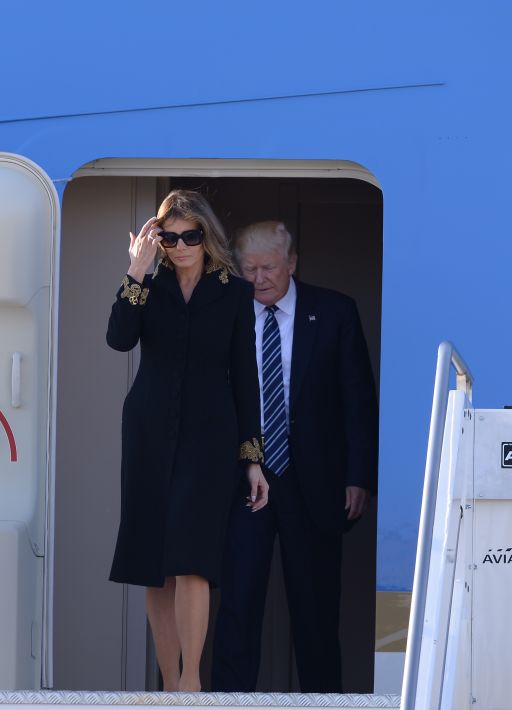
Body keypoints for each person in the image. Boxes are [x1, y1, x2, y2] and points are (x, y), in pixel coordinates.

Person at [106, 190, 270, 692]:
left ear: (206, 237)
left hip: (210, 439)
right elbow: (118, 339)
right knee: (155, 564)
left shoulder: (234, 293)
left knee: (193, 560)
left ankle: (191, 686)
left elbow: (246, 377)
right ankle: (169, 681)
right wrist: (136, 269)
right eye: (169, 237)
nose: (179, 246)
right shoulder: (147, 287)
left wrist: (252, 459)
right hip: (148, 432)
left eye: (189, 236)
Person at [211, 221, 377, 693]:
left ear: (292, 264)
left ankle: (325, 703)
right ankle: (227, 703)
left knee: (316, 609)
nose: (258, 278)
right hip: (246, 481)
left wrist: (358, 476)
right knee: (239, 603)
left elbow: (357, 400)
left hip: (317, 483)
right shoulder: (227, 313)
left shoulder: (334, 312)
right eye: (248, 269)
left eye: (268, 267)